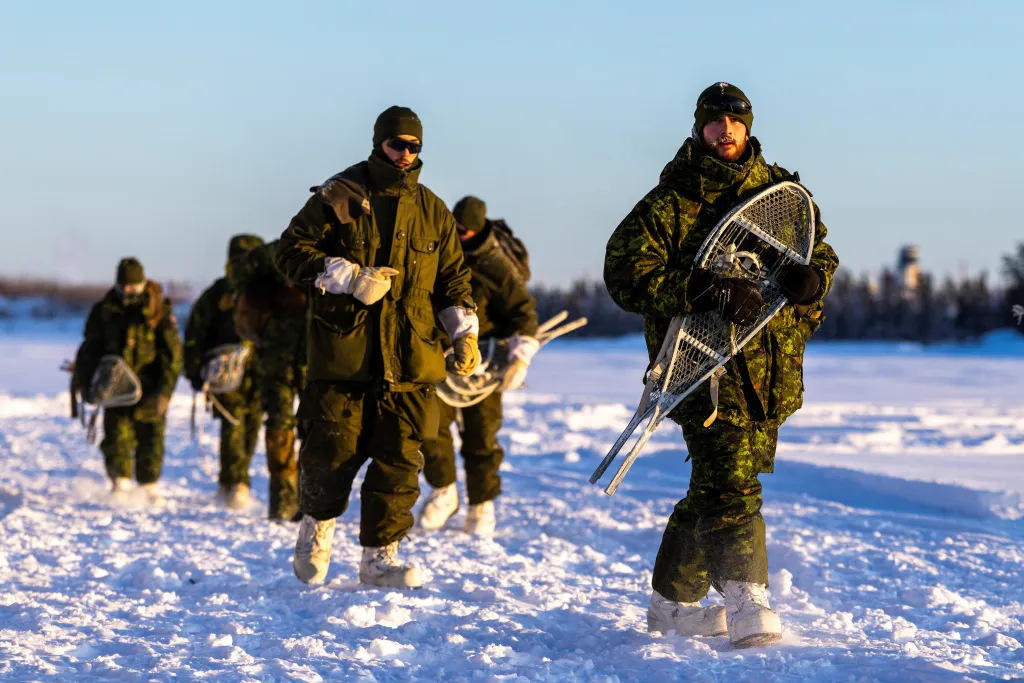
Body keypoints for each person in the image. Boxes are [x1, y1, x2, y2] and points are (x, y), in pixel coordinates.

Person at [603, 83, 839, 647]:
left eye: (736, 121)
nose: (726, 131)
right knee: (732, 489)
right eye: (715, 122)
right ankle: (747, 596)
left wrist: (812, 281)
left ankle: (672, 605)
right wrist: (701, 288)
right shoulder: (670, 201)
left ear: (749, 126)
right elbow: (625, 275)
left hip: (768, 370)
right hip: (700, 370)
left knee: (715, 487)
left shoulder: (782, 194)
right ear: (699, 128)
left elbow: (819, 253)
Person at [276, 105, 479, 589]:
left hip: (411, 359)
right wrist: (347, 277)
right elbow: (289, 252)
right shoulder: (338, 196)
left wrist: (464, 332)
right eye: (397, 144)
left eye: (414, 146)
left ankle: (380, 558)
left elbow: (453, 280)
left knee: (400, 460)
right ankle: (316, 530)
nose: (405, 154)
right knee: (331, 452)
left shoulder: (433, 211)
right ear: (378, 142)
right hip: (345, 356)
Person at [418, 196, 539, 535]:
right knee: (430, 429)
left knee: (481, 436)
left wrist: (519, 358)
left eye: (466, 230)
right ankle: (444, 490)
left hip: (484, 367)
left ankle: (481, 504)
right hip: (438, 359)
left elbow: (524, 313)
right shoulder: (439, 256)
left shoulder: (496, 266)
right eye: (455, 229)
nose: (460, 235)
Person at [73, 257, 182, 503]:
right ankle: (119, 484)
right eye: (125, 286)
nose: (129, 292)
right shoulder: (104, 310)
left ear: (143, 283)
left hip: (151, 384)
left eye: (134, 286)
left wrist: (164, 392)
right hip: (114, 387)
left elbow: (172, 354)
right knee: (116, 436)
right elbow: (89, 349)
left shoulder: (158, 309)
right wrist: (88, 382)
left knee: (151, 438)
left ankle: (149, 487)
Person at [228, 239, 308, 521]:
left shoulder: (333, 245)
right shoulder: (279, 250)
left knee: (315, 426)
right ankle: (285, 502)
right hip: (279, 351)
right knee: (279, 424)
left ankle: (308, 504)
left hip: (315, 351)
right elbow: (239, 273)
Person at [183, 234, 265, 509]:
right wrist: (195, 369)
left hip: (260, 374)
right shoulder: (217, 294)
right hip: (224, 375)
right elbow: (196, 332)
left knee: (252, 426)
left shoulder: (268, 292)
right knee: (233, 424)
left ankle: (234, 481)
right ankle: (234, 485)